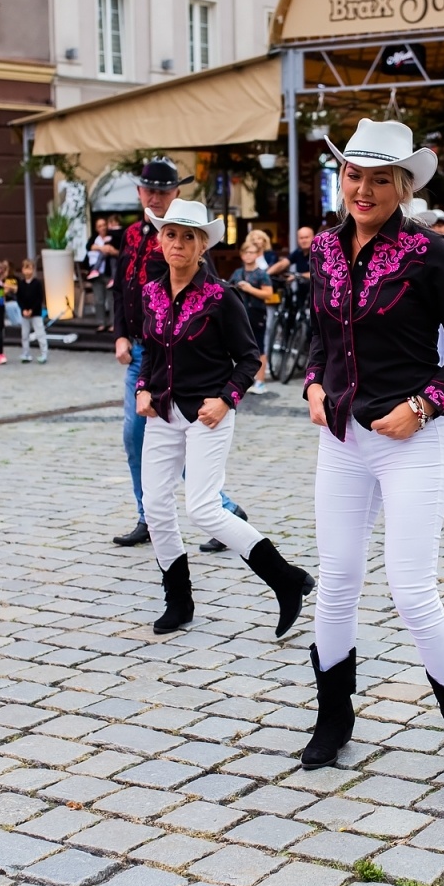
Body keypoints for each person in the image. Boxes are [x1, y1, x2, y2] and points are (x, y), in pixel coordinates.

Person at [299, 119, 444, 797]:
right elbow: (319, 336)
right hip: (343, 440)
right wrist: (314, 383)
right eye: (355, 173)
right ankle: (334, 719)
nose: (364, 188)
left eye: (380, 178)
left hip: (412, 439)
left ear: (402, 186)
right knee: (338, 580)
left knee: (411, 591)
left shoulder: (429, 252)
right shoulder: (322, 249)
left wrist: (426, 404)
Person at [135, 199, 315, 638]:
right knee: (155, 505)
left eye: (188, 237)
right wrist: (143, 386)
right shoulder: (151, 293)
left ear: (202, 247)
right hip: (162, 410)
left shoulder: (222, 297)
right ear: (160, 240)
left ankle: (284, 579)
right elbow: (152, 352)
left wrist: (226, 399)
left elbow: (251, 358)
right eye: (171, 234)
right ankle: (178, 599)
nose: (178, 243)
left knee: (202, 507)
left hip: (208, 414)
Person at [112, 157, 247, 549]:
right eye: (148, 190)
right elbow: (122, 289)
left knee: (185, 434)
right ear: (139, 192)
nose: (154, 196)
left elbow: (209, 293)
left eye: (163, 191)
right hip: (145, 351)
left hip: (183, 354)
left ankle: (220, 510)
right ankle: (149, 516)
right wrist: (121, 335)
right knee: (135, 436)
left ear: (176, 194)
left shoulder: (185, 236)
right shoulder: (132, 236)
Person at [230, 235, 275, 394]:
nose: (249, 255)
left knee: (259, 347)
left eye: (252, 252)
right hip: (240, 315)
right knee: (240, 348)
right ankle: (244, 380)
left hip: (257, 314)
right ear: (242, 255)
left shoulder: (262, 274)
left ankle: (260, 381)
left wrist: (249, 289)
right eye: (246, 252)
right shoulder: (237, 272)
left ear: (257, 254)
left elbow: (268, 294)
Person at [14, 259, 50, 364]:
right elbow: (19, 298)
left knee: (40, 333)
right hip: (24, 313)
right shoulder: (21, 284)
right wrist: (23, 309)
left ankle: (44, 353)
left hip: (36, 313)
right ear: (22, 270)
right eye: (25, 268)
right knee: (24, 334)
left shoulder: (37, 283)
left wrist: (32, 310)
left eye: (29, 268)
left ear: (33, 270)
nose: (27, 271)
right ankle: (26, 353)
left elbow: (39, 298)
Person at [87, 217, 118, 330]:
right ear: (96, 228)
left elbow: (120, 252)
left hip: (110, 274)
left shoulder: (113, 238)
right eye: (99, 226)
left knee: (112, 300)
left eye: (104, 224)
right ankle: (101, 323)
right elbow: (88, 248)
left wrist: (112, 251)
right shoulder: (94, 239)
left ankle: (113, 323)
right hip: (97, 274)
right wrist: (102, 248)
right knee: (99, 299)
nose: (102, 227)